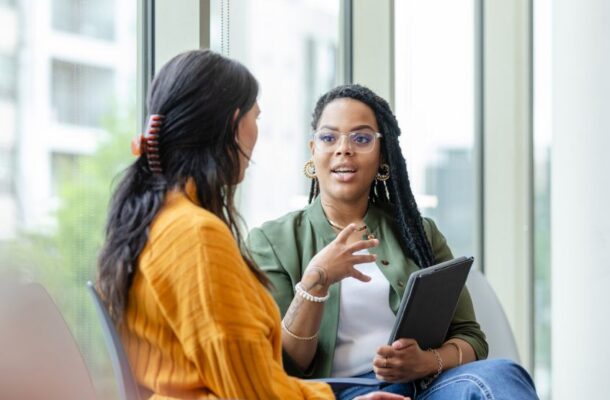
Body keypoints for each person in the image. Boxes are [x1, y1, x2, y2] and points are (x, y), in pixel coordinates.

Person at [95, 50, 407, 400]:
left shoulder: (160, 220)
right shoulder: (195, 236)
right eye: (256, 116)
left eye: (361, 139)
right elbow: (253, 392)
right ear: (235, 125)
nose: (343, 151)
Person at [248, 84, 539, 399]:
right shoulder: (271, 241)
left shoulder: (419, 234)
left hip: (424, 386)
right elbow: (283, 365)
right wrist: (316, 281)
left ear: (382, 155)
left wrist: (424, 362)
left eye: (361, 138)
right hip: (334, 393)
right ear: (313, 150)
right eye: (329, 137)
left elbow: (471, 338)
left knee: (501, 374)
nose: (343, 149)